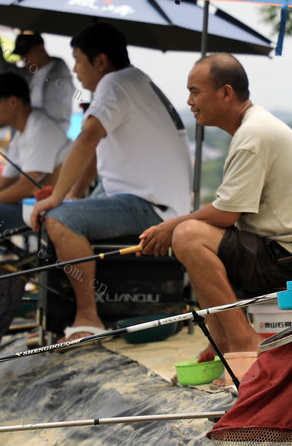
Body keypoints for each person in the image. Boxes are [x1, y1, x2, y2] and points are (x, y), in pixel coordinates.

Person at [140, 53, 292, 384]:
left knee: (188, 236)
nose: (190, 101)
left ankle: (243, 341)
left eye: (195, 92)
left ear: (226, 93)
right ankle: (223, 340)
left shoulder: (254, 134)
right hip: (274, 251)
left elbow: (226, 214)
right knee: (193, 236)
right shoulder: (252, 128)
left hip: (289, 258)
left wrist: (171, 226)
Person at [31, 23, 192, 343]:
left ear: (101, 61)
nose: (74, 70)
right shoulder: (134, 81)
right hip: (148, 197)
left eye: (78, 60)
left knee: (59, 221)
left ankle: (88, 318)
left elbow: (88, 137)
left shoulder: (114, 83)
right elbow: (95, 151)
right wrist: (73, 195)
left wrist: (56, 201)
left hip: (151, 207)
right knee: (68, 210)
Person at [0, 72, 72, 256]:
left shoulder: (39, 129)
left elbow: (25, 187)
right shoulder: (21, 133)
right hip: (35, 206)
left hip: (57, 209)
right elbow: (3, 183)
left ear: (13, 102)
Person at [0, 31, 73, 134]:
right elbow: (2, 69)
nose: (23, 59)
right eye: (21, 55)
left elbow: (55, 115)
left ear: (41, 48)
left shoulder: (59, 76)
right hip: (31, 137)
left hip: (49, 139)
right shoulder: (31, 72)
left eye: (26, 53)